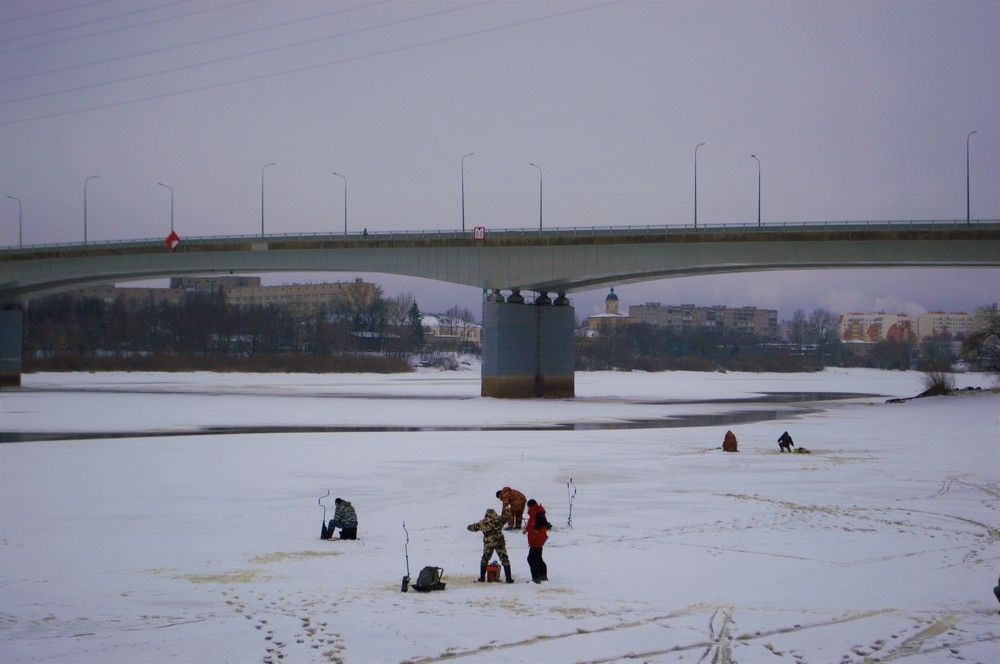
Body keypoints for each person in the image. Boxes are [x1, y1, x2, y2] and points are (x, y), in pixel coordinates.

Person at [467, 508, 513, 583]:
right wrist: (507, 508)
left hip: (489, 543)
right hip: (499, 542)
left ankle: (482, 578)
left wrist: (469, 526)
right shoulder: (499, 519)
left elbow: (473, 528)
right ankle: (509, 579)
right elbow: (507, 516)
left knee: (485, 559)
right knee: (504, 559)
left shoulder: (484, 522)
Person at [523, 498, 550, 583]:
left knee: (531, 558)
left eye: (528, 507)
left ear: (531, 506)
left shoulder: (538, 512)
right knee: (538, 557)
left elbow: (543, 522)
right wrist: (526, 529)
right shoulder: (535, 512)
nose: (528, 509)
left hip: (537, 539)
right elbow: (532, 522)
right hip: (537, 539)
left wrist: (536, 530)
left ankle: (536, 578)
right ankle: (542, 576)